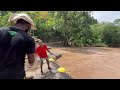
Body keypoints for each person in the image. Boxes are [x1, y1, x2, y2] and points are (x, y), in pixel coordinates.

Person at [0, 13, 36, 79]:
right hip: (15, 75)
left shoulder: (1, 30)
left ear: (17, 21)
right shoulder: (29, 39)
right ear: (27, 24)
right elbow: (31, 61)